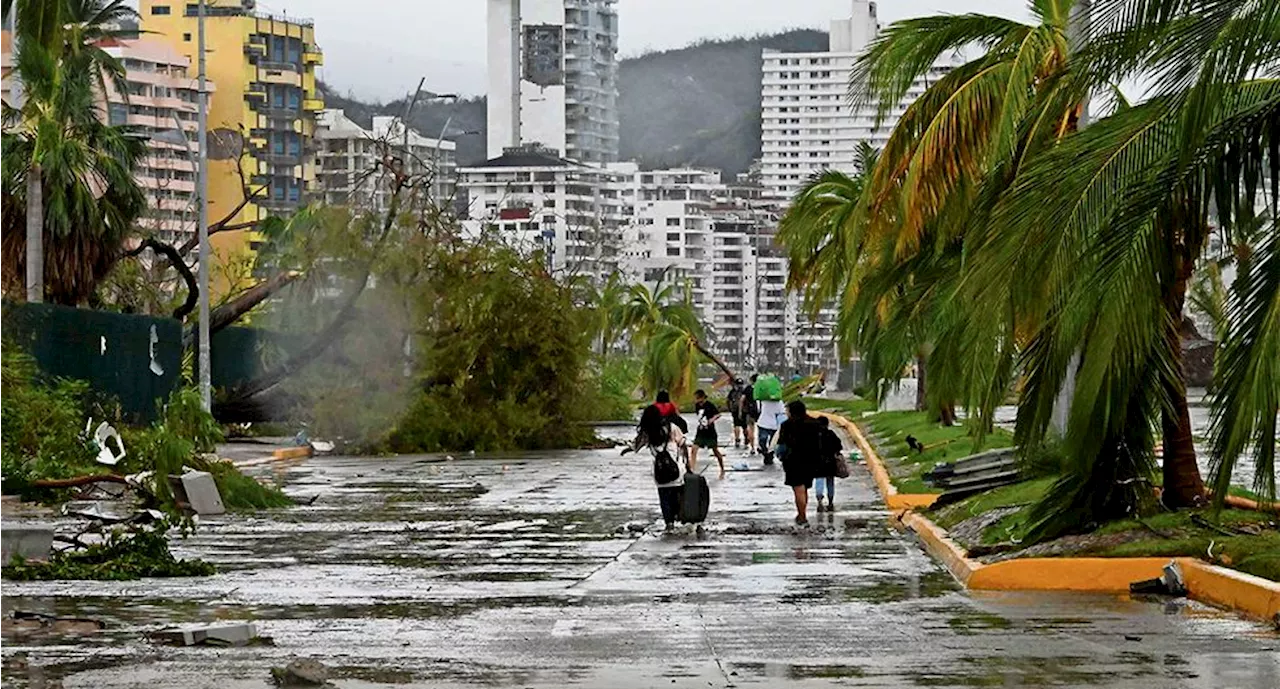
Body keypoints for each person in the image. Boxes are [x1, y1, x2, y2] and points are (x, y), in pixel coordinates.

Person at [625, 391, 690, 530]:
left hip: (659, 471)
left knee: (664, 497)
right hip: (676, 469)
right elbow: (683, 444)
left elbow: (635, 446)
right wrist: (688, 464)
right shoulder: (671, 428)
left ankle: (669, 523)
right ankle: (680, 516)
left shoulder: (647, 432)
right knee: (677, 494)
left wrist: (626, 450)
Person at [776, 400, 820, 526]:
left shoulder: (787, 425)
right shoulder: (814, 423)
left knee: (798, 488)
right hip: (811, 459)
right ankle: (802, 512)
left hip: (793, 460)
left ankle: (802, 515)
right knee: (804, 487)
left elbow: (782, 444)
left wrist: (780, 455)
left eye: (787, 410)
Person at [691, 389, 727, 479]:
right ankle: (692, 469)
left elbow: (718, 414)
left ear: (702, 397)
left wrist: (712, 419)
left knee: (715, 451)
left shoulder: (709, 405)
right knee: (694, 449)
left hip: (710, 431)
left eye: (697, 398)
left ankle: (722, 469)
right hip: (701, 431)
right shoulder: (697, 406)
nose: (696, 400)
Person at [814, 416, 842, 513]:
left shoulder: (813, 436)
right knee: (830, 482)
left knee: (819, 481)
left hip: (818, 462)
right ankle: (830, 502)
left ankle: (819, 500)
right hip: (830, 462)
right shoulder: (831, 434)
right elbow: (839, 446)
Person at [742, 375, 758, 454]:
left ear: (751, 380)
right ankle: (762, 446)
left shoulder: (748, 388)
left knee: (751, 429)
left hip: (750, 411)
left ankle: (752, 448)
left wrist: (740, 411)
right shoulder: (761, 388)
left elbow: (742, 399)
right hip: (761, 411)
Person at [726, 380, 745, 448]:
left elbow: (728, 400)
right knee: (745, 426)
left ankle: (737, 440)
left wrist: (730, 409)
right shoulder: (744, 391)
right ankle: (746, 438)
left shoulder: (732, 391)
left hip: (735, 410)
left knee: (736, 425)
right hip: (744, 410)